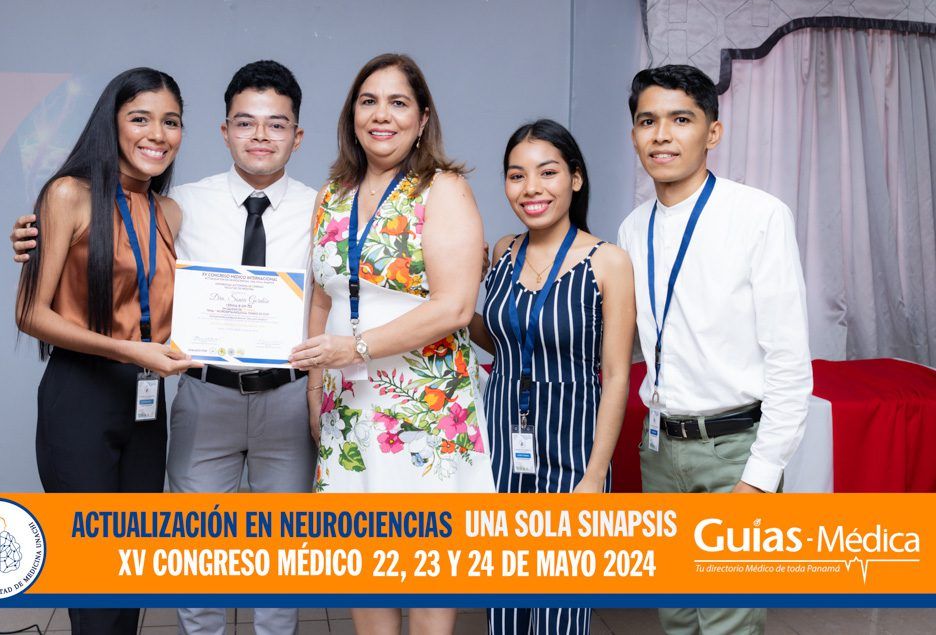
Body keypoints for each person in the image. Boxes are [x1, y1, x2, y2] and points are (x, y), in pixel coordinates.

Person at [288, 53, 495, 635]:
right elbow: (322, 298)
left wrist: (353, 349)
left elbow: (454, 307)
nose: (382, 115)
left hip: (425, 404)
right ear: (352, 114)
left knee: (428, 569)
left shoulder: (444, 189)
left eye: (398, 103)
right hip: (347, 405)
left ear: (423, 118)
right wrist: (315, 390)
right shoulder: (332, 194)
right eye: (368, 101)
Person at [618, 65, 812, 635]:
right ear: (634, 134)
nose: (661, 135)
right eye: (647, 121)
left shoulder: (759, 216)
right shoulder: (632, 228)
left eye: (681, 119)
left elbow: (788, 361)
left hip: (734, 452)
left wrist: (761, 477)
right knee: (678, 618)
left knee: (727, 624)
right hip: (661, 449)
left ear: (713, 132)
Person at [15, 67, 193, 635]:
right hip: (80, 396)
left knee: (131, 570)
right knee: (92, 577)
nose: (157, 134)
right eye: (140, 118)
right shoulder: (68, 194)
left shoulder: (170, 214)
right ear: (110, 125)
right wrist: (132, 352)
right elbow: (30, 314)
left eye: (171, 122)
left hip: (146, 404)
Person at [468, 119, 635, 635]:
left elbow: (616, 375)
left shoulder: (608, 262)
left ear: (575, 179)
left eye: (547, 172)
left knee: (558, 609)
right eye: (516, 175)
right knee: (505, 603)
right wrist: (451, 304)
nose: (531, 188)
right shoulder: (503, 252)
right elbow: (501, 340)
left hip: (573, 450)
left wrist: (594, 478)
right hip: (503, 445)